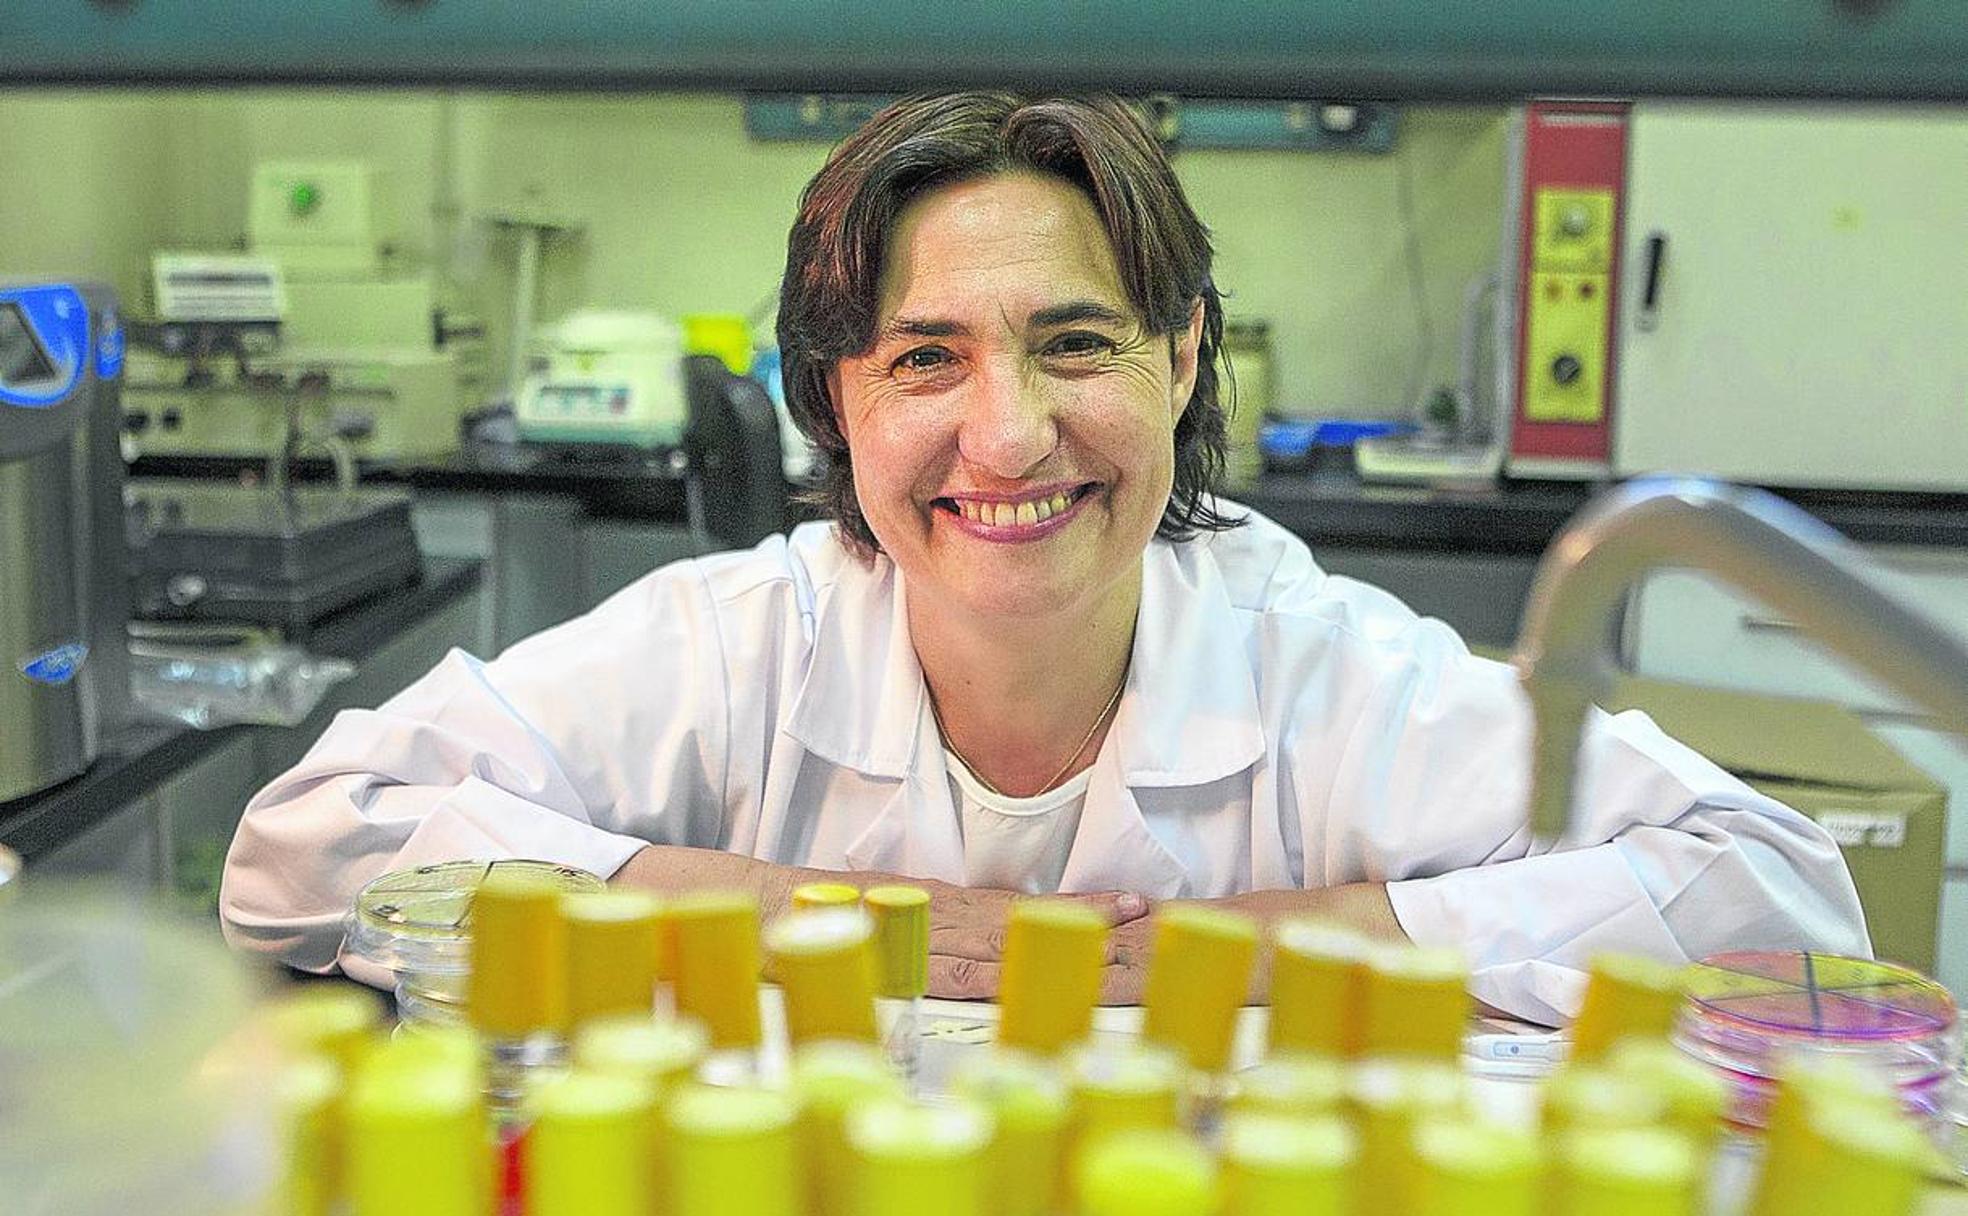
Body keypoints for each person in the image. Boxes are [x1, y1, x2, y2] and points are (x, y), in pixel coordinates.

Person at [220, 93, 1866, 1023]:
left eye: (1075, 342)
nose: (1008, 439)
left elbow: (1785, 899)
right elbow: (304, 838)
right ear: (837, 404)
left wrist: (1246, 947)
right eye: (925, 358)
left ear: (1183, 359)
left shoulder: (1316, 667)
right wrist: (788, 913)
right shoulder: (737, 645)